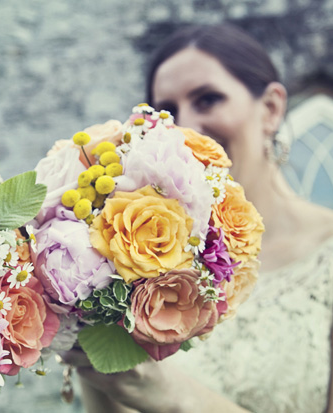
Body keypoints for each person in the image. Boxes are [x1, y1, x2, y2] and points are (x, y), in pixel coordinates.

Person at [65, 23, 333, 413]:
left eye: (208, 99)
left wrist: (176, 397)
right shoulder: (144, 262)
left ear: (271, 109)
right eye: (168, 112)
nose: (185, 127)